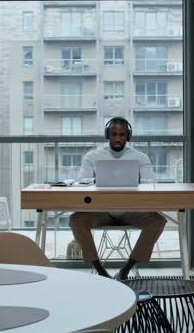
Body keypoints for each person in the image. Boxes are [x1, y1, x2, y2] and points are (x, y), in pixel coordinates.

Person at [69, 117, 167, 280]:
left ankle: (126, 269)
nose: (117, 138)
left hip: (132, 210)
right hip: (101, 211)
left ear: (128, 136)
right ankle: (101, 271)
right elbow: (82, 181)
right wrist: (98, 180)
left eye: (122, 134)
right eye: (113, 134)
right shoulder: (92, 156)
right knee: (75, 220)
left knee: (158, 221)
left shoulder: (140, 157)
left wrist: (134, 180)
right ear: (107, 134)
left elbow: (151, 182)